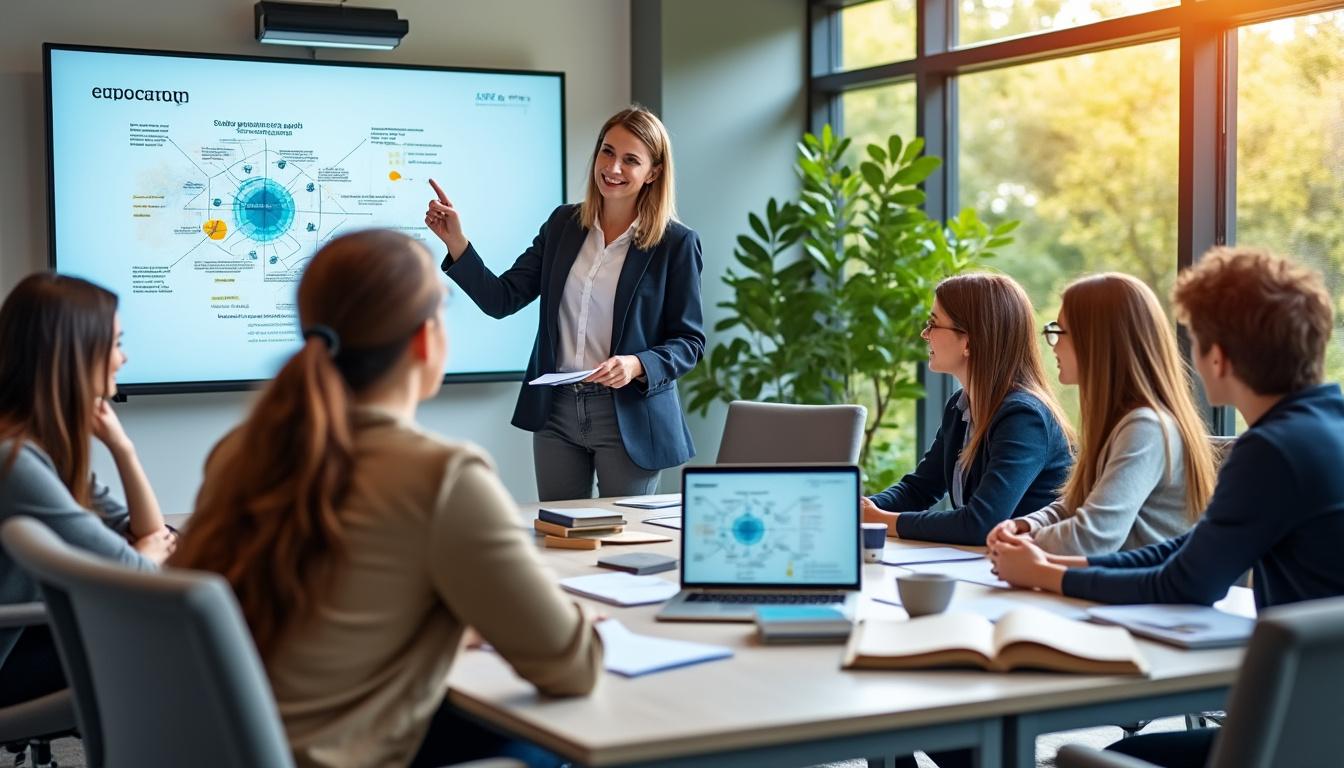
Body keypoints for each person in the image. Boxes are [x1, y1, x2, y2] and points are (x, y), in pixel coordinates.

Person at [170, 230, 602, 768]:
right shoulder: (443, 476)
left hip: (230, 746)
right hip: (333, 754)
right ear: (425, 339)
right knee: (547, 747)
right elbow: (573, 668)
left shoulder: (242, 450)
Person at [989, 248, 1344, 768]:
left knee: (1081, 760)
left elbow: (1187, 583)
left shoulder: (1272, 450)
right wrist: (1063, 566)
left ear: (1218, 357)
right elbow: (1191, 550)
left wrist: (1051, 577)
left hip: (1304, 738)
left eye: (1195, 339)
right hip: (1324, 724)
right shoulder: (1323, 427)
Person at [424, 105, 704, 501]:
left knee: (624, 535)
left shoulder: (676, 244)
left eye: (631, 160)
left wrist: (637, 364)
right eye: (607, 152)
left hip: (628, 415)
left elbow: (689, 342)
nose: (613, 168)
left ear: (653, 173)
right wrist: (456, 242)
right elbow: (502, 299)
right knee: (559, 530)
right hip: (556, 412)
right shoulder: (563, 225)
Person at [0, 273, 174, 708]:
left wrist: (123, 449)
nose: (123, 358)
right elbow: (136, 572)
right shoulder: (15, 461)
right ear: (75, 355)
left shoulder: (38, 445)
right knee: (174, 639)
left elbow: (147, 533)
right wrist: (146, 557)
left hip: (28, 635)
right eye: (116, 344)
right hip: (10, 658)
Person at [986, 273, 1217, 556]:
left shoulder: (1145, 427)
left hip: (1138, 584)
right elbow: (1076, 503)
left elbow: (1093, 537)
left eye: (1060, 332)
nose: (1054, 345)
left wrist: (1025, 544)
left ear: (1097, 341)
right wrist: (1025, 526)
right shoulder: (1120, 422)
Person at [862, 272, 1074, 546]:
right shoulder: (960, 407)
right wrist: (859, 510)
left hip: (1029, 567)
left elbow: (981, 523)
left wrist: (882, 520)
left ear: (969, 342)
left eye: (933, 324)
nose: (925, 334)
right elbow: (920, 489)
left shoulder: (1024, 417)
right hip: (986, 563)